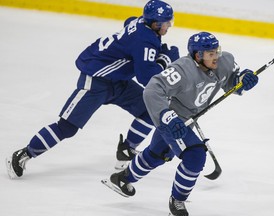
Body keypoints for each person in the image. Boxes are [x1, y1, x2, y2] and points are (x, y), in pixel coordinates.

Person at [6, 0, 180, 179]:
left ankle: (126, 150)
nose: (169, 25)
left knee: (149, 111)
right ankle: (24, 154)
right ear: (155, 23)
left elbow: (129, 22)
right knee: (67, 127)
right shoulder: (145, 40)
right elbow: (147, 78)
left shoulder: (142, 24)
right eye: (166, 22)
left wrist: (154, 54)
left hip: (119, 82)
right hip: (96, 82)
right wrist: (165, 59)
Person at [106, 32, 259, 216]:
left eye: (216, 51)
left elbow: (231, 82)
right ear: (198, 55)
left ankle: (122, 178)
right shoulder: (182, 69)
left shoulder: (225, 60)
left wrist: (243, 80)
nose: (216, 56)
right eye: (210, 53)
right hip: (171, 119)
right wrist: (168, 117)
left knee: (156, 154)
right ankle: (177, 201)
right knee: (195, 156)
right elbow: (152, 90)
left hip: (188, 119)